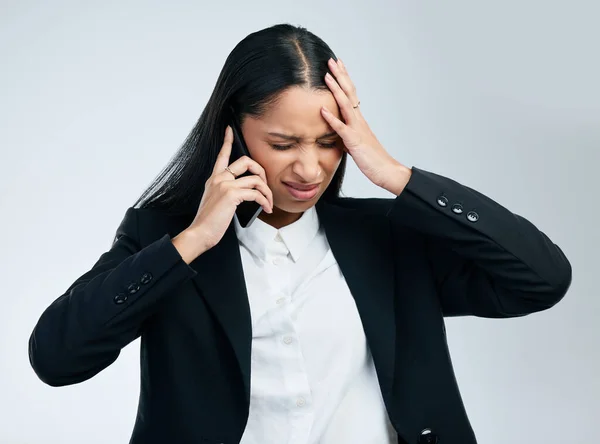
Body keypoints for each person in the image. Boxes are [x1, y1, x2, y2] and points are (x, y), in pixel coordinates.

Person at [28, 24, 572, 444]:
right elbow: (56, 359)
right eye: (284, 143)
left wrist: (396, 177)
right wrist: (192, 241)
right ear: (234, 131)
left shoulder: (389, 237)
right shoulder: (166, 238)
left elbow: (542, 279)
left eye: (329, 142)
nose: (310, 170)